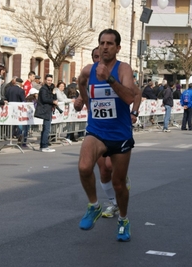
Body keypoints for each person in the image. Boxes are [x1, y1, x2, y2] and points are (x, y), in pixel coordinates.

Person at [76, 29, 141, 242]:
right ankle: (94, 206)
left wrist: (110, 79)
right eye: (102, 43)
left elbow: (131, 97)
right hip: (96, 130)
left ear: (117, 48)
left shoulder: (124, 69)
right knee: (84, 167)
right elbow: (81, 82)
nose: (105, 47)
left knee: (119, 184)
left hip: (120, 133)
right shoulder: (89, 70)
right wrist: (84, 101)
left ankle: (123, 219)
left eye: (110, 43)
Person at [34, 74, 57, 152]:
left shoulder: (50, 88)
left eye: (51, 80)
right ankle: (44, 146)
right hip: (45, 110)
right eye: (48, 80)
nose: (50, 82)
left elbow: (54, 98)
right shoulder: (44, 89)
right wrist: (53, 101)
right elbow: (44, 99)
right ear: (45, 80)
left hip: (49, 109)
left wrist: (54, 93)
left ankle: (43, 145)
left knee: (46, 128)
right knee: (46, 128)